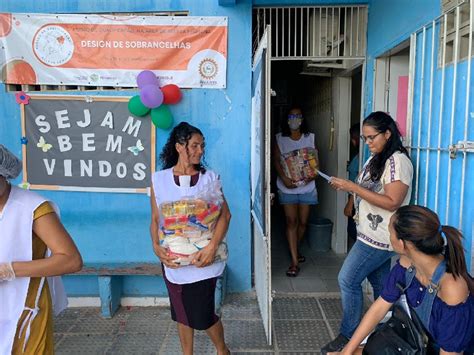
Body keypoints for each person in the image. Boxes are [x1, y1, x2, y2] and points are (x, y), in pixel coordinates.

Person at [322, 111, 413, 353]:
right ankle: (391, 330)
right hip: (368, 232)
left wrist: (352, 186)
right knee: (382, 285)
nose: (368, 142)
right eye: (364, 138)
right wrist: (351, 193)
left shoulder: (398, 162)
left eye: (372, 137)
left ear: (388, 133)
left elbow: (393, 201)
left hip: (381, 236)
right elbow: (365, 189)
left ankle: (349, 334)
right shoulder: (375, 158)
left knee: (348, 279)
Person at [329, 205, 474, 355]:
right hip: (413, 343)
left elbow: (450, 353)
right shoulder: (407, 263)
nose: (388, 235)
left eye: (390, 232)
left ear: (402, 243)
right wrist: (346, 351)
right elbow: (379, 307)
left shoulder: (452, 288)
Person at [150, 122, 231, 355]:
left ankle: (222, 349)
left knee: (203, 315)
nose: (200, 150)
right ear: (179, 147)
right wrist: (156, 246)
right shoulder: (159, 180)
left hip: (204, 259)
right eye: (194, 145)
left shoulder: (210, 178)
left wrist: (212, 247)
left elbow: (225, 216)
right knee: (181, 312)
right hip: (173, 261)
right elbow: (155, 220)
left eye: (202, 146)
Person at [0, 144, 83, 354]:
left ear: (3, 174)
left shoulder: (32, 208)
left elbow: (71, 260)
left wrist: (8, 269)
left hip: (26, 309)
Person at [273, 107, 319, 277]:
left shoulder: (310, 137)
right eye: (291, 116)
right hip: (287, 187)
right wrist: (284, 178)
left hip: (307, 186)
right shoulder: (280, 138)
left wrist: (309, 175)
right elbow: (276, 161)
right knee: (291, 222)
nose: (295, 119)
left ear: (302, 119)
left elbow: (315, 161)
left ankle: (295, 248)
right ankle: (294, 261)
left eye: (298, 116)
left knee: (303, 223)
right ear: (287, 119)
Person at [344, 123, 360, 244]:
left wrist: (350, 204)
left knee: (354, 231)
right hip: (358, 199)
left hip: (357, 200)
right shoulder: (359, 157)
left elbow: (356, 184)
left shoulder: (361, 158)